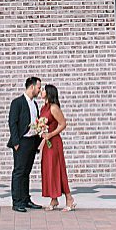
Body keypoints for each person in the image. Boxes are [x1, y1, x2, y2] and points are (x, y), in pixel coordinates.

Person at [7, 76, 45, 212]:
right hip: (21, 143)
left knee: (26, 172)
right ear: (32, 87)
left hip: (32, 141)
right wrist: (16, 143)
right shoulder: (17, 102)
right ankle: (17, 202)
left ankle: (25, 199)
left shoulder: (34, 104)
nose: (40, 90)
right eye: (39, 87)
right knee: (19, 172)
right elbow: (12, 123)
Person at [38, 83, 76, 211]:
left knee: (58, 169)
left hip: (55, 143)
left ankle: (69, 199)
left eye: (43, 90)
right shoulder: (44, 108)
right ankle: (54, 199)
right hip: (47, 143)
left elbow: (63, 124)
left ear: (49, 93)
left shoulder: (54, 108)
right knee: (49, 169)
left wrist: (51, 134)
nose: (41, 91)